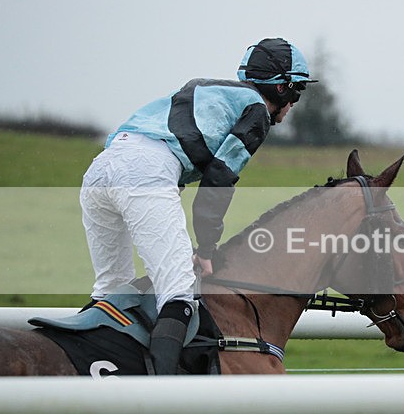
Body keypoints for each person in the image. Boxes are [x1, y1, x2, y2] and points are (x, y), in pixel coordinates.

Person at [79, 38, 316, 375]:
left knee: (112, 292)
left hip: (102, 169)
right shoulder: (256, 112)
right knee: (178, 298)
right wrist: (206, 248)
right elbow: (218, 180)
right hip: (146, 171)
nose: (294, 103)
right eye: (297, 91)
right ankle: (167, 404)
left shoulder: (209, 89)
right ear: (281, 88)